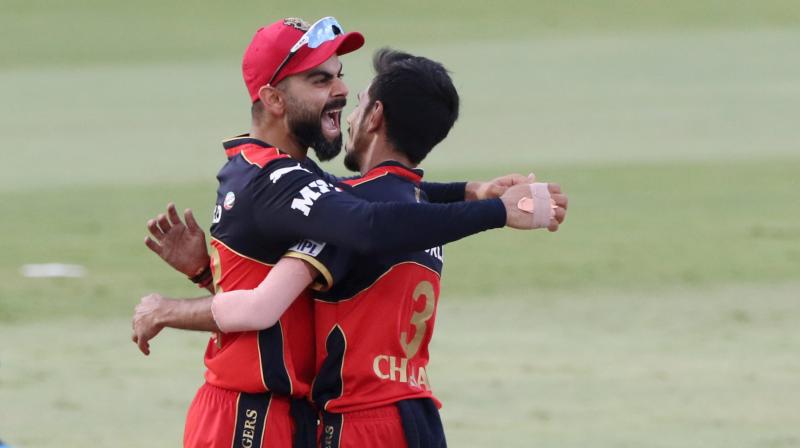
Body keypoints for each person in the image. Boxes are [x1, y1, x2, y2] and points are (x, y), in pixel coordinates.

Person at [134, 17, 564, 448]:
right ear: (274, 99)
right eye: (321, 80)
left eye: (341, 78)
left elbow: (362, 205)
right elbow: (367, 220)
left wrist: (472, 194)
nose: (340, 91)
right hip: (254, 417)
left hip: (300, 418)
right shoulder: (280, 180)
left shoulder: (297, 181)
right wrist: (492, 209)